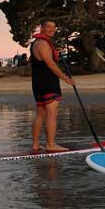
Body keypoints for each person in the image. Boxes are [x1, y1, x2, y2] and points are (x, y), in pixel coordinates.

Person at [30, 19, 75, 152]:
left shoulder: (38, 43)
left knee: (40, 114)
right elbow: (50, 65)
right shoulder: (43, 43)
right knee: (51, 114)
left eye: (54, 27)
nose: (53, 29)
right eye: (49, 27)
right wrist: (66, 79)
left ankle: (36, 145)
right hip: (48, 83)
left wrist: (57, 52)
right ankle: (50, 145)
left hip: (38, 84)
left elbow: (47, 60)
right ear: (42, 28)